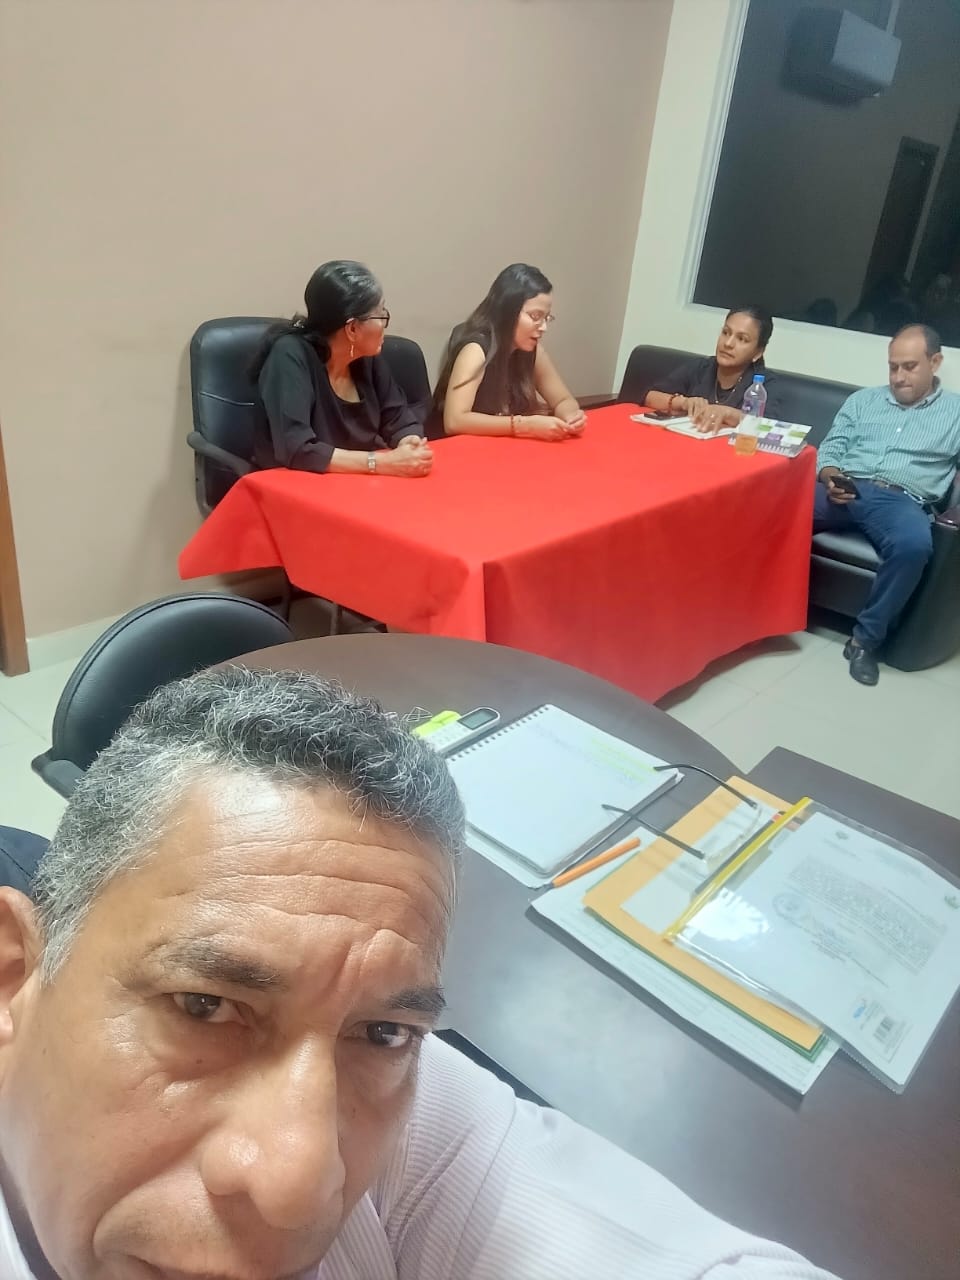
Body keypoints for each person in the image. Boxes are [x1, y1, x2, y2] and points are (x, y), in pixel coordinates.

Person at [0, 667, 841, 1280]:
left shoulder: (386, 1078)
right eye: (204, 1006)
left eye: (382, 1031)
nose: (304, 1187)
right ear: (14, 975)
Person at [816, 324, 960, 686]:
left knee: (914, 545)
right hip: (845, 488)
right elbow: (831, 448)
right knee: (778, 509)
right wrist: (830, 476)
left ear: (935, 362)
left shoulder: (956, 413)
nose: (898, 377)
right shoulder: (863, 400)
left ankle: (864, 641)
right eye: (893, 367)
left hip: (902, 500)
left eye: (909, 367)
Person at [251, 260, 433, 478]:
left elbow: (399, 418)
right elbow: (297, 449)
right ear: (353, 328)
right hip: (294, 483)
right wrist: (380, 463)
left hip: (355, 482)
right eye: (380, 314)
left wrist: (409, 442)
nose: (385, 322)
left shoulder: (366, 357)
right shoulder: (290, 355)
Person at [430, 263, 586, 441]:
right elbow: (454, 421)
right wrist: (525, 425)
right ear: (507, 311)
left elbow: (563, 400)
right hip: (458, 447)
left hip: (503, 445)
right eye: (535, 316)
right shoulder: (476, 350)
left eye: (546, 317)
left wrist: (571, 416)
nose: (543, 327)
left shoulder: (532, 350)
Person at [646, 306, 779, 432]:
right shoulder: (701, 367)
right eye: (726, 332)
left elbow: (767, 425)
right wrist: (683, 403)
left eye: (742, 339)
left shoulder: (765, 385)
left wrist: (729, 413)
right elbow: (650, 397)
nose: (728, 343)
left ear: (758, 352)